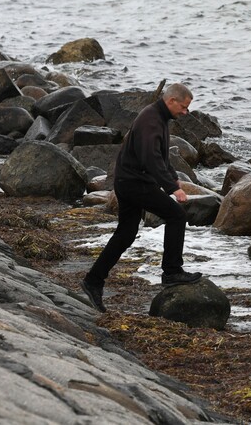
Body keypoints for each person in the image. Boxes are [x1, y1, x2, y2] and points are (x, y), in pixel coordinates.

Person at [80, 83, 202, 312]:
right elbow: (150, 158)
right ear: (172, 101)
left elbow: (162, 157)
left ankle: (93, 281)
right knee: (176, 216)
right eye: (184, 107)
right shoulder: (151, 120)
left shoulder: (159, 117)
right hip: (134, 183)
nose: (185, 112)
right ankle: (172, 272)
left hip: (129, 181)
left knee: (126, 233)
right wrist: (172, 189)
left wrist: (174, 179)